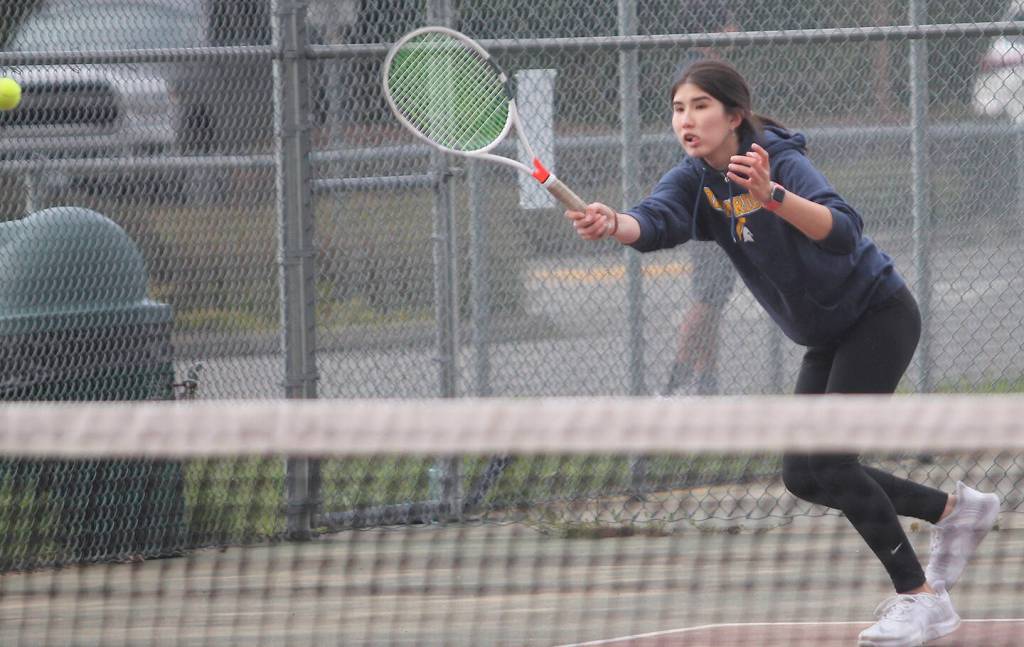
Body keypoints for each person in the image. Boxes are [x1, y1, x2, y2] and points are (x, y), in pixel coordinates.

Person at [565, 58, 1000, 647]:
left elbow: (844, 229)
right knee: (803, 474)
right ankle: (955, 511)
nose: (685, 120)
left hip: (878, 316)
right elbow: (655, 221)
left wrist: (772, 195)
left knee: (831, 459)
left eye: (699, 107)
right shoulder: (694, 180)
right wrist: (612, 222)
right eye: (677, 109)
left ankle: (921, 598)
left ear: (734, 115)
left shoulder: (780, 160)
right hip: (825, 335)